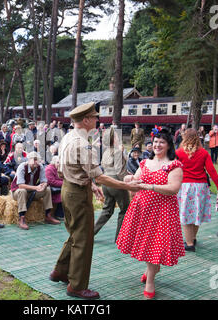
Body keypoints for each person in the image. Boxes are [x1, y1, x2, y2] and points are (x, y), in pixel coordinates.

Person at [50, 102, 144, 300]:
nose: (97, 120)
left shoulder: (67, 137)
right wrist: (128, 187)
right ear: (85, 120)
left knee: (75, 234)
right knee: (84, 240)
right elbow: (99, 176)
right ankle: (76, 286)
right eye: (94, 117)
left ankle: (60, 270)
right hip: (77, 194)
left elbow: (64, 169)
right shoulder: (83, 143)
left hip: (69, 188)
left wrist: (90, 185)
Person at [116, 128, 185, 299]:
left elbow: (173, 189)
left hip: (163, 212)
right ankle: (151, 270)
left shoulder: (174, 165)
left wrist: (149, 187)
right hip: (142, 211)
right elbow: (136, 179)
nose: (157, 145)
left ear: (168, 145)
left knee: (157, 246)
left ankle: (150, 280)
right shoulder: (145, 163)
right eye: (155, 141)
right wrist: (129, 179)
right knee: (147, 246)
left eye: (161, 142)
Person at [175, 129, 218, 251]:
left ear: (185, 138)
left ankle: (189, 243)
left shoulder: (179, 152)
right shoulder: (204, 153)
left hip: (185, 186)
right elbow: (211, 171)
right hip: (201, 186)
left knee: (185, 215)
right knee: (197, 214)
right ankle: (193, 238)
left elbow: (173, 169)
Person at [93, 128, 130, 242]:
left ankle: (91, 232)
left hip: (106, 183)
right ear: (114, 139)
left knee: (107, 210)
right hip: (116, 183)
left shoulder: (105, 152)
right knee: (125, 210)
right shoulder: (117, 152)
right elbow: (119, 171)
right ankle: (119, 238)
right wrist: (128, 181)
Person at [10, 151, 60, 230]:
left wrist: (43, 186)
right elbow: (20, 185)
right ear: (29, 160)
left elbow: (45, 181)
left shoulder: (40, 166)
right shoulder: (22, 167)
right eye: (34, 160)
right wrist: (36, 188)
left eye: (37, 160)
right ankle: (21, 218)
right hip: (17, 192)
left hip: (31, 192)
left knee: (47, 189)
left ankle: (48, 215)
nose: (35, 162)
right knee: (22, 191)